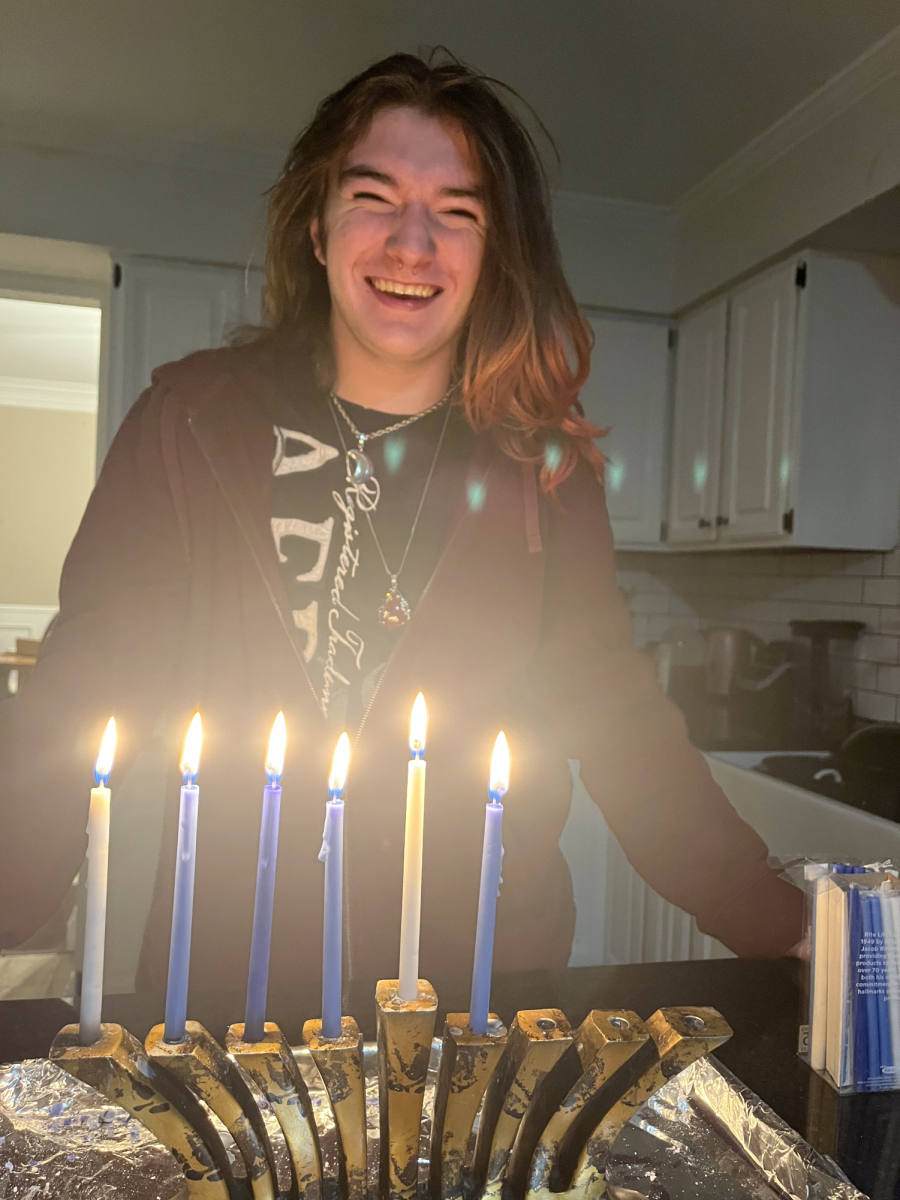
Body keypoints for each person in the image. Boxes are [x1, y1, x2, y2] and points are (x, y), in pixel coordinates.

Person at [0, 52, 802, 994]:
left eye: (458, 212)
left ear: (494, 251)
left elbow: (615, 711)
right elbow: (86, 684)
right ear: (316, 222)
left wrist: (776, 918)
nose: (412, 244)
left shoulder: (542, 468)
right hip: (230, 985)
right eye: (374, 196)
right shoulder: (188, 423)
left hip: (478, 988)